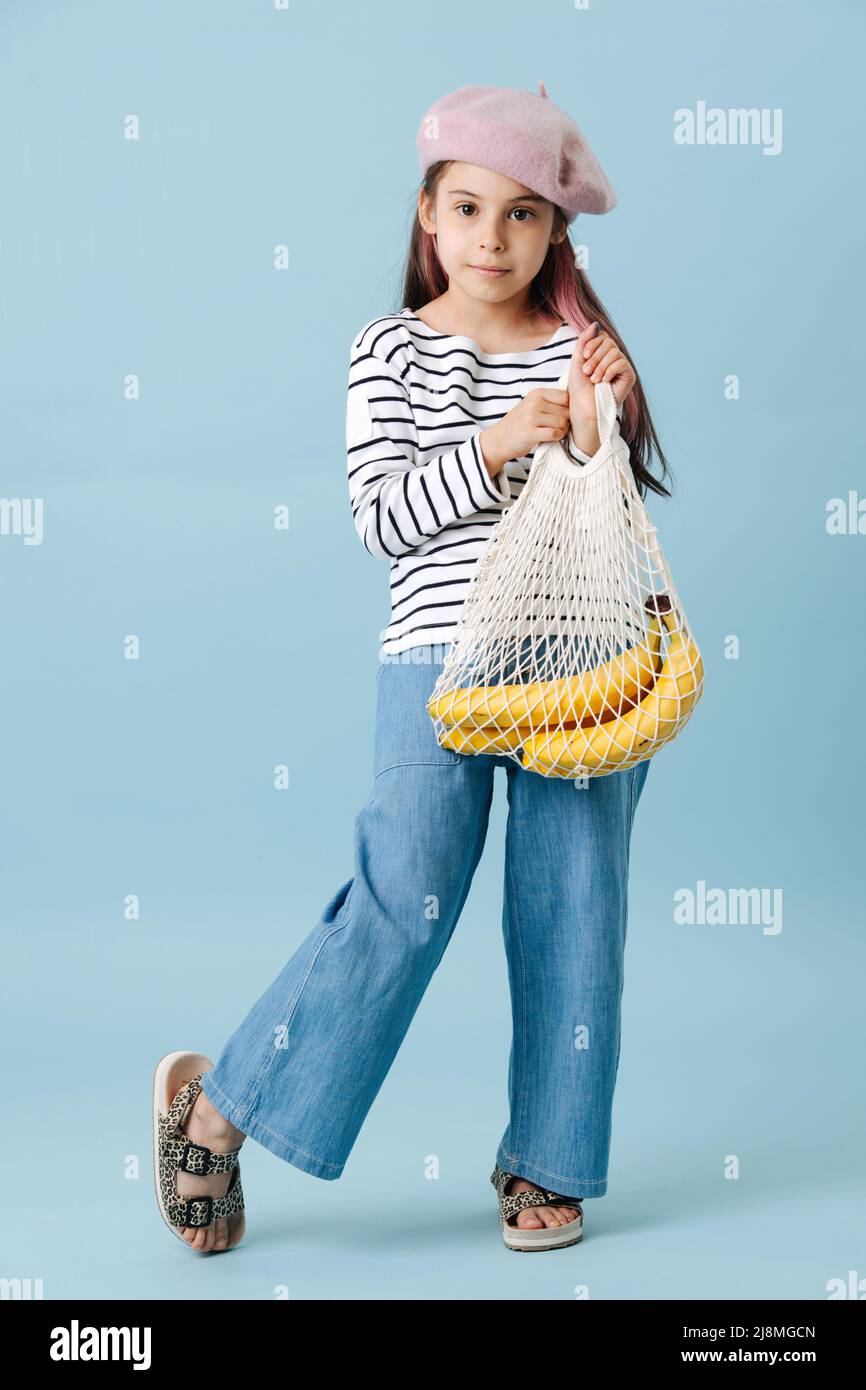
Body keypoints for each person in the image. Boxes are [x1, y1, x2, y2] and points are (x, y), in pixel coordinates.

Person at [153, 81, 673, 1255]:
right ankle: (221, 1102)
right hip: (439, 659)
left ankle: (546, 1161)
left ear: (554, 232)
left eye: (523, 215)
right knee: (403, 900)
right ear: (428, 217)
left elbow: (600, 514)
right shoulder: (388, 350)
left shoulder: (572, 350)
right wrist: (494, 442)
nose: (492, 239)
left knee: (577, 904)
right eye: (469, 209)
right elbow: (385, 519)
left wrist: (597, 419)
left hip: (580, 656)